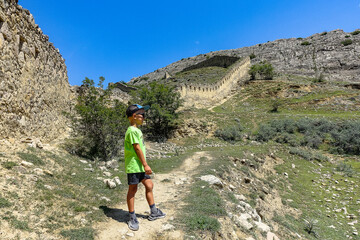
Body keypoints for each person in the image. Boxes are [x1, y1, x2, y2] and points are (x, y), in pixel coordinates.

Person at [124, 104, 166, 231]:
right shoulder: (131, 131)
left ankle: (154, 211)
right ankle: (132, 217)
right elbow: (137, 148)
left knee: (149, 185)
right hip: (134, 166)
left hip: (140, 166)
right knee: (133, 189)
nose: (144, 117)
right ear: (134, 116)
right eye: (142, 115)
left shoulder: (137, 130)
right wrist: (145, 164)